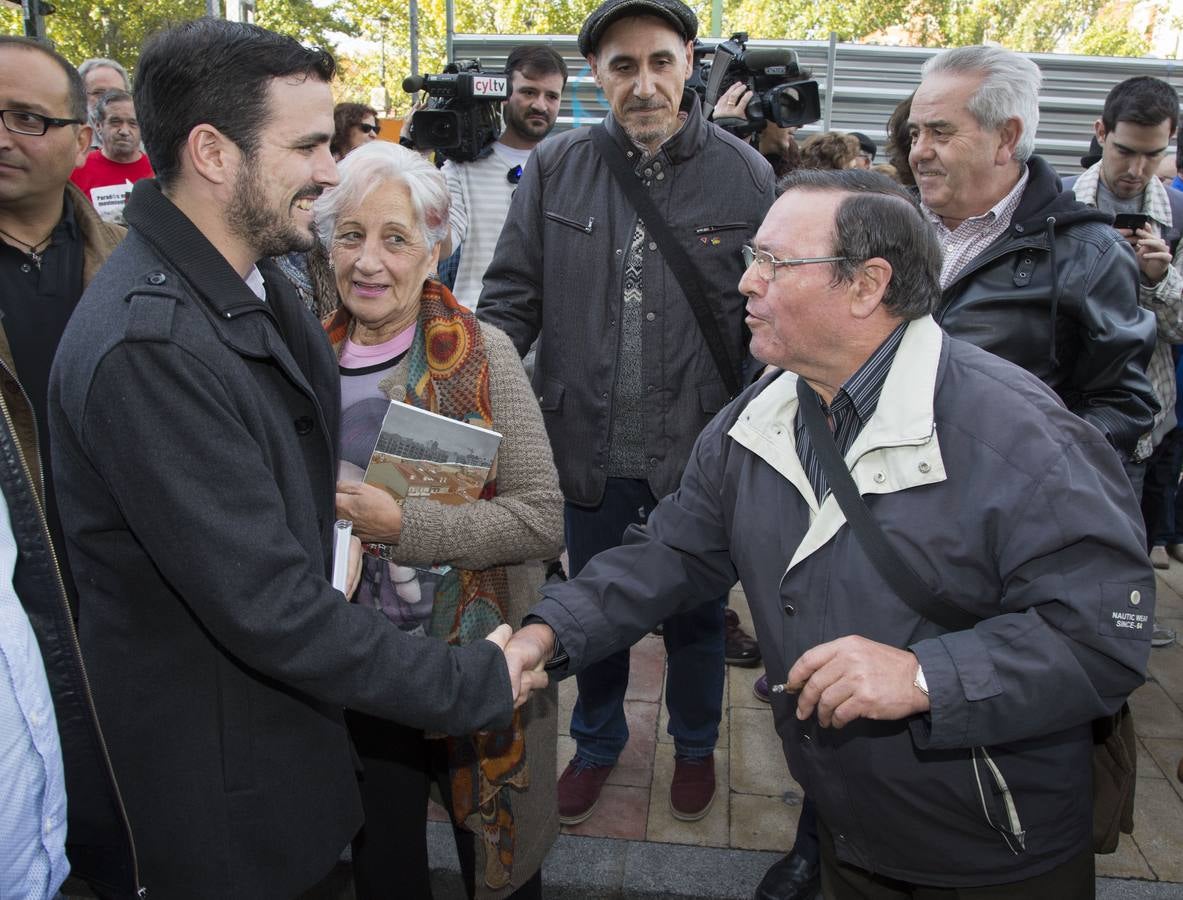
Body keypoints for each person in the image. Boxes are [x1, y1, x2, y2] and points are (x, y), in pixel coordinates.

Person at [503, 168, 1153, 898]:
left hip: (994, 846)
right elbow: (670, 553)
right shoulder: (757, 418)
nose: (745, 283)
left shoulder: (1020, 435)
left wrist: (922, 676)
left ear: (866, 284)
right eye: (751, 257)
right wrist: (545, 635)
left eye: (771, 263)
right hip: (849, 833)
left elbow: (1100, 637)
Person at [48, 20, 538, 898]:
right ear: (211, 153)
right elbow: (265, 602)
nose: (328, 168)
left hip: (286, 747)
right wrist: (466, 680)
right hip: (228, 788)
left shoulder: (259, 281)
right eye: (308, 144)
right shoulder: (150, 345)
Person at [479, 0, 775, 828]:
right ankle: (598, 743)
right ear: (596, 77)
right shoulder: (556, 168)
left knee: (696, 623)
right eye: (621, 66)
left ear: (689, 62)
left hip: (699, 454)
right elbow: (509, 299)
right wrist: (469, 392)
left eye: (658, 62)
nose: (642, 84)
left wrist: (753, 436)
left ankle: (692, 745)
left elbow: (767, 322)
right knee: (592, 616)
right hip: (587, 448)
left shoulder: (746, 177)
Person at [304, 140, 564, 899]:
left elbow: (542, 518)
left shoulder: (484, 356)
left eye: (395, 237)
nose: (369, 261)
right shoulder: (303, 355)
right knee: (382, 856)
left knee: (496, 856)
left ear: (436, 247)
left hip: (472, 657)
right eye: (350, 235)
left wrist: (402, 524)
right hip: (357, 665)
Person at [0, 38, 137, 896]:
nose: (3, 137)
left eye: (26, 118)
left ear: (81, 143)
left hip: (121, 589)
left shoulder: (135, 268)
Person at [909, 45, 1156, 464]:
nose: (918, 151)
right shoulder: (885, 227)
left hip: (994, 513)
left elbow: (1123, 405)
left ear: (1006, 138)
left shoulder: (1090, 253)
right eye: (915, 133)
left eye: (941, 132)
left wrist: (1035, 460)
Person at [1062, 76, 1183, 649]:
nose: (1137, 168)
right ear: (1101, 133)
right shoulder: (1057, 204)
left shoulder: (1178, 214)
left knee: (1122, 539)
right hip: (1061, 406)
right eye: (1126, 150)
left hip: (1140, 418)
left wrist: (1160, 281)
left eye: (1153, 153)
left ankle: (1113, 644)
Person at [440, 45, 567, 310]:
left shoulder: (571, 167)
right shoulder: (461, 168)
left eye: (552, 96)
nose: (540, 105)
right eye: (529, 92)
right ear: (505, 94)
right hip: (478, 328)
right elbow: (439, 246)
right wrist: (417, 157)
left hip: (548, 336)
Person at [69, 88, 155, 222]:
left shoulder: (159, 172)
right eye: (115, 122)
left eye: (133, 123)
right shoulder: (77, 169)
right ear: (98, 126)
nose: (124, 131)